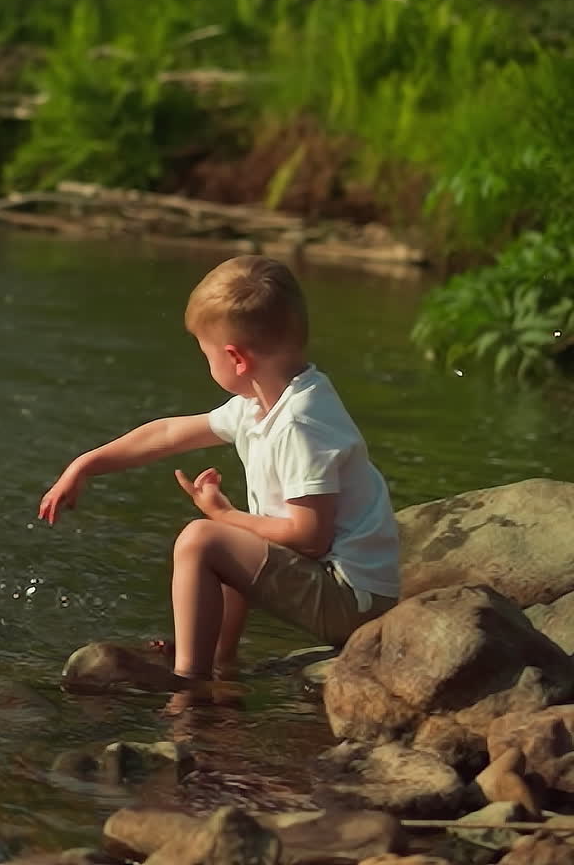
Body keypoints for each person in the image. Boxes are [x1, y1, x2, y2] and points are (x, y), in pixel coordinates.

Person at [39, 255, 399, 693]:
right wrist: (86, 464)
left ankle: (191, 680)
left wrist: (224, 515)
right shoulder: (261, 403)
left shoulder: (300, 424)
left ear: (235, 358)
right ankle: (219, 659)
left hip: (353, 602)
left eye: (206, 354)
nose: (207, 364)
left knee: (203, 539)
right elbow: (168, 433)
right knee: (232, 541)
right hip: (337, 586)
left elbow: (311, 537)